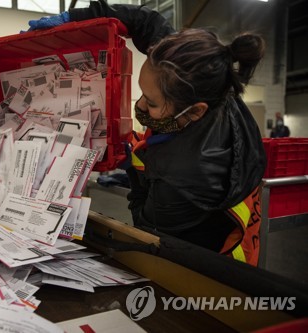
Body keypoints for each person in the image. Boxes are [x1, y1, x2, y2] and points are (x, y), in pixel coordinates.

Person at [27, 0, 266, 266]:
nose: (139, 106)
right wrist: (74, 16)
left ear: (195, 111)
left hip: (212, 267)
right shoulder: (201, 76)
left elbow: (146, 226)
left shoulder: (182, 176)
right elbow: (145, 21)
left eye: (151, 103)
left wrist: (133, 170)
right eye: (143, 94)